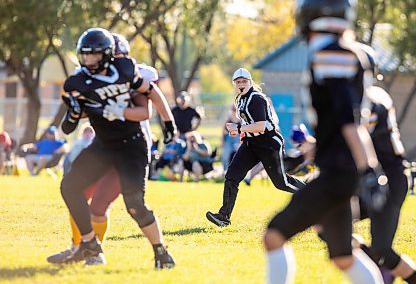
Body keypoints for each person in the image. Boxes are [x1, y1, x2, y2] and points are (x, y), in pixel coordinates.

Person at [263, 0, 386, 284]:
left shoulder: (332, 53)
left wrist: (369, 168)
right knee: (343, 257)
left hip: (337, 174)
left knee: (274, 236)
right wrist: (308, 155)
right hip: (339, 170)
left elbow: (349, 120)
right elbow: (338, 122)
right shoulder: (344, 51)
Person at [56, 27, 177, 268]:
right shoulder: (78, 82)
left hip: (132, 146)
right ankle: (89, 243)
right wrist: (75, 112)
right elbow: (68, 127)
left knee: (134, 203)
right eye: (85, 55)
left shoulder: (125, 70)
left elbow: (151, 93)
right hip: (103, 146)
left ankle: (161, 251)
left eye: (94, 55)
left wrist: (168, 122)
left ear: (109, 54)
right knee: (69, 186)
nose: (89, 60)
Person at [206, 68, 306, 227]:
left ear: (250, 82)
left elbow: (261, 125)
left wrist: (238, 129)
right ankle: (224, 216)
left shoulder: (257, 98)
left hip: (268, 144)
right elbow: (249, 124)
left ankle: (315, 196)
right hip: (251, 144)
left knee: (281, 183)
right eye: (238, 82)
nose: (241, 84)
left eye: (244, 81)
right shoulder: (240, 99)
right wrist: (238, 131)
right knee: (232, 175)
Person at [358, 85, 416, 284]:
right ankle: (378, 267)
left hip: (389, 179)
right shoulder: (367, 95)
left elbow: (354, 136)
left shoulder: (369, 99)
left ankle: (382, 267)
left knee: (382, 250)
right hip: (370, 178)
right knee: (327, 225)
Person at [221, 104, 241, 172]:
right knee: (225, 156)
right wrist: (222, 141)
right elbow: (223, 131)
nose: (234, 111)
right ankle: (225, 171)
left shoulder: (240, 120)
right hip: (228, 139)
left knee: (238, 156)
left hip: (237, 139)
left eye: (235, 110)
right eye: (233, 110)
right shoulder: (228, 119)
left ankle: (237, 171)